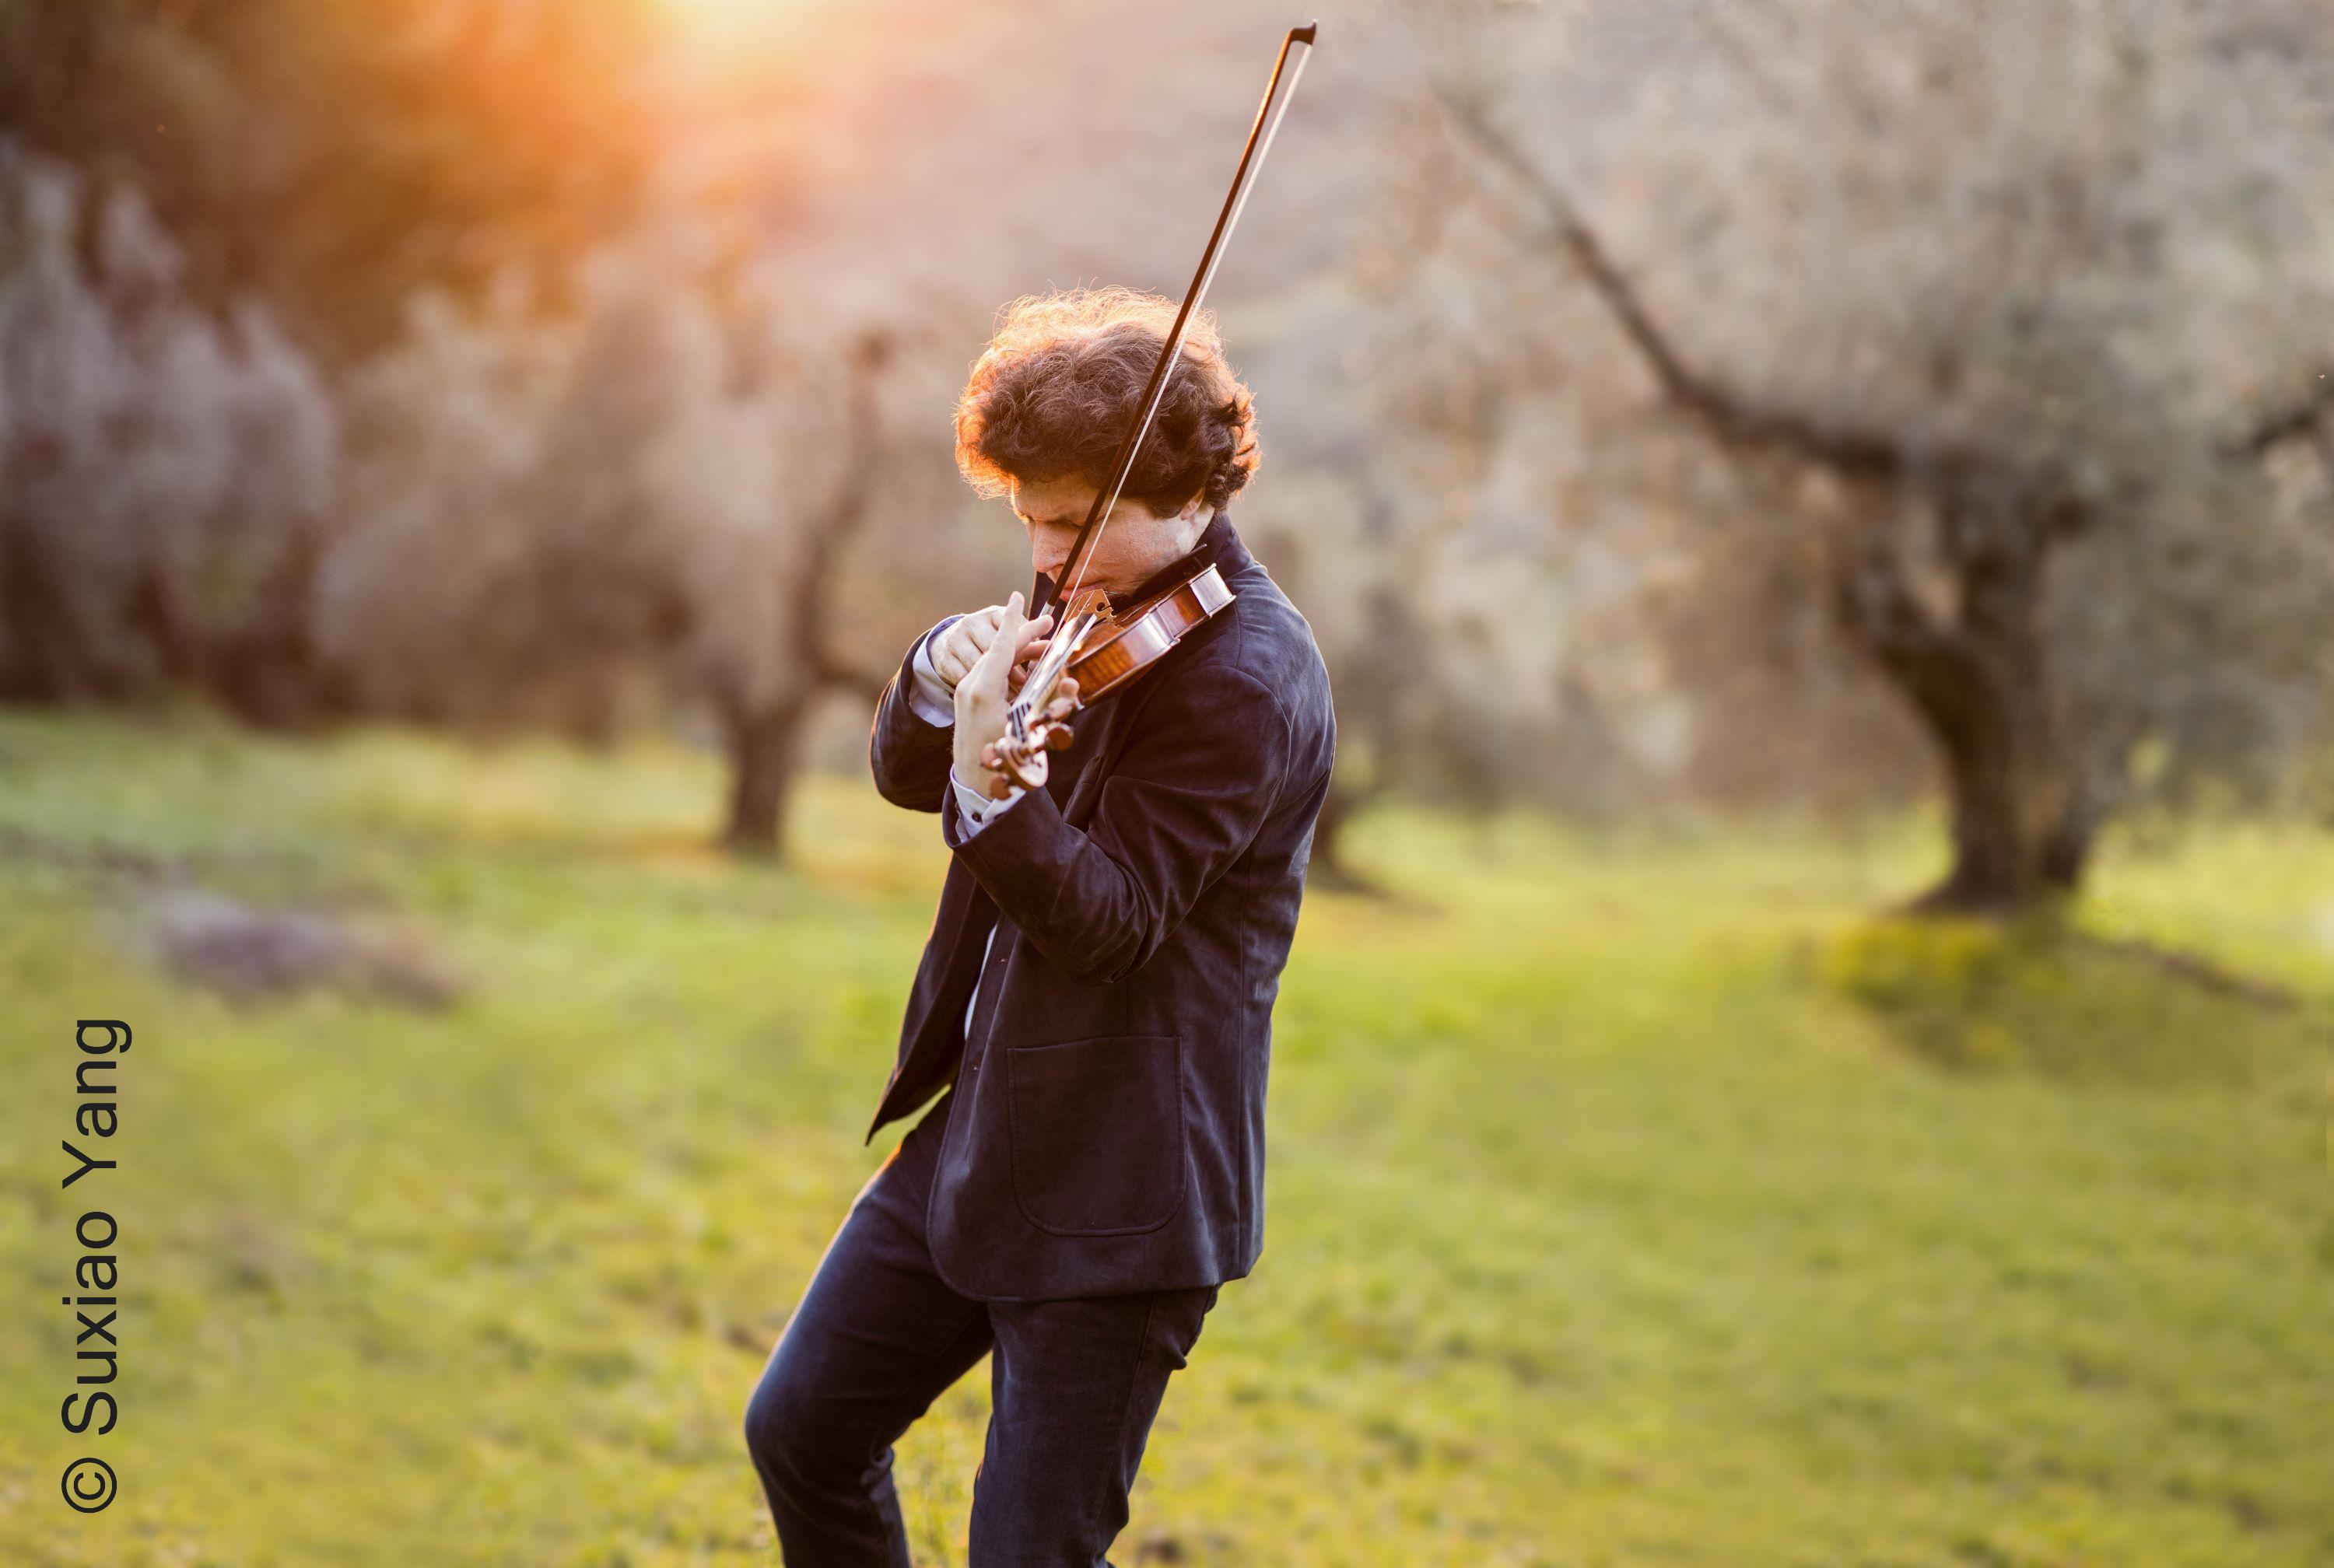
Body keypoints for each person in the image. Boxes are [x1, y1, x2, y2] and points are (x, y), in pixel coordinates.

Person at [744, 286, 1335, 1566]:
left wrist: (990, 788)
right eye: (1029, 528)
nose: (1047, 565)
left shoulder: (1249, 682)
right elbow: (909, 773)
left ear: (1187, 494)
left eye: (1074, 527)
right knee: (801, 1429)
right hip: (986, 1127)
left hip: (1124, 1184)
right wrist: (940, 668)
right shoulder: (1075, 595)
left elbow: (1107, 922)